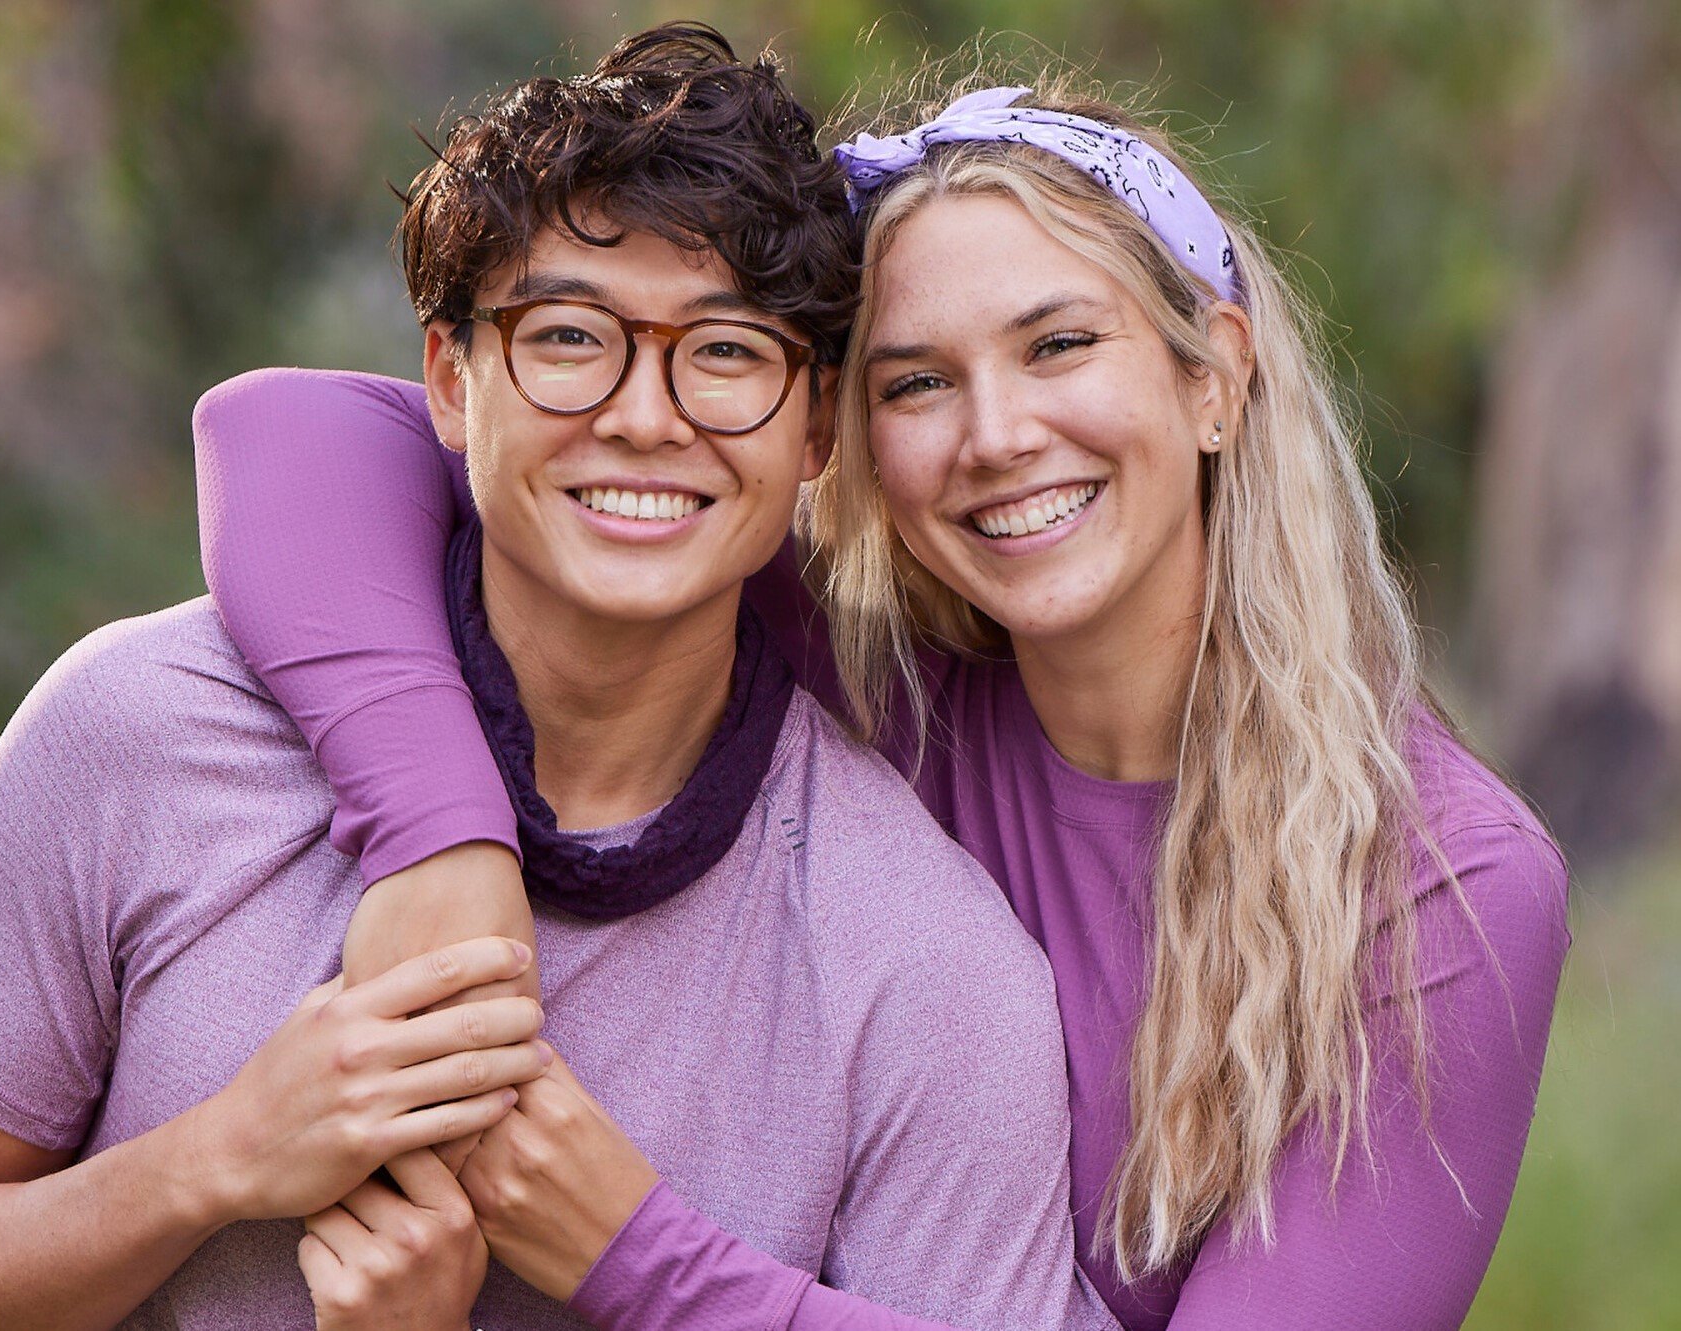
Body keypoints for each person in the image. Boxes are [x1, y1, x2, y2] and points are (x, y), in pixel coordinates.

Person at [192, 52, 1573, 1331]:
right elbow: (290, 434)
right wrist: (443, 844)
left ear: (1214, 376)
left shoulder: (1438, 893)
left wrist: (640, 1260)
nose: (997, 437)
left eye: (1059, 346)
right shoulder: (866, 674)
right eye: (919, 382)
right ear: (842, 435)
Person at [0, 24, 1112, 1331]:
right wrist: (214, 1161)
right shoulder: (138, 733)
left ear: (816, 425)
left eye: (725, 352)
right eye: (565, 337)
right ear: (448, 376)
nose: (646, 417)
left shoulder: (928, 972)